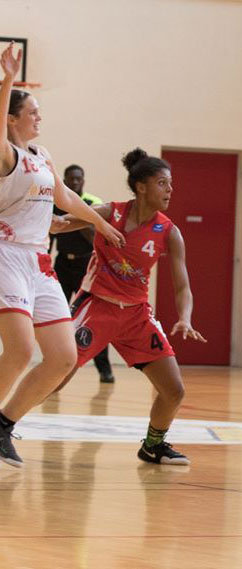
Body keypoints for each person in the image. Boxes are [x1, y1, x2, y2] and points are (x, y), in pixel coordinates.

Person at [0, 42, 124, 467]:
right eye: (31, 111)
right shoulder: (6, 153)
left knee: (62, 359)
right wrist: (8, 80)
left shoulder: (42, 155)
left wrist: (99, 222)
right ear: (12, 118)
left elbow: (66, 196)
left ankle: (3, 424)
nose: (39, 117)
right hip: (5, 256)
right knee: (18, 352)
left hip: (39, 262)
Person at [54, 148, 206, 466]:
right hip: (97, 305)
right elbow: (59, 225)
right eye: (162, 183)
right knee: (56, 377)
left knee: (173, 390)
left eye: (170, 184)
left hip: (136, 314)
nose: (170, 190)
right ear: (141, 187)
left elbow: (182, 286)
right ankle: (6, 423)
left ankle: (153, 445)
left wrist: (185, 317)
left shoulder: (170, 232)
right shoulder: (110, 213)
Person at [51, 164, 115, 383]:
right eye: (71, 179)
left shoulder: (93, 204)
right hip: (61, 265)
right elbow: (49, 236)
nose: (75, 182)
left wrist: (78, 216)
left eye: (79, 179)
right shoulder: (57, 203)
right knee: (56, 316)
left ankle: (104, 370)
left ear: (83, 180)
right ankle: (54, 363)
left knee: (92, 318)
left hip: (86, 266)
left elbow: (96, 236)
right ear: (65, 181)